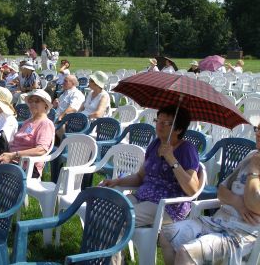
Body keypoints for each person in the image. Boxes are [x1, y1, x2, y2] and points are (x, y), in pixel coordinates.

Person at [159, 122, 260, 265]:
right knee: (166, 234)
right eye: (258, 129)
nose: (257, 133)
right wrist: (238, 203)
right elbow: (221, 191)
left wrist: (254, 171)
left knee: (186, 252)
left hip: (242, 235)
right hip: (218, 222)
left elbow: (255, 204)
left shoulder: (254, 163)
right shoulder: (251, 156)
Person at [101, 105, 200, 227]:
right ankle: (103, 244)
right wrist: (117, 181)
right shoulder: (155, 144)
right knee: (104, 209)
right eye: (158, 120)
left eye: (165, 123)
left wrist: (172, 160)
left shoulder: (187, 150)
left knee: (120, 217)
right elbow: (140, 177)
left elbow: (193, 189)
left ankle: (111, 245)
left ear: (178, 129)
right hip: (142, 197)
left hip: (166, 206)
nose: (159, 125)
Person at [0, 89, 55, 178]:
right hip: (12, 159)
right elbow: (17, 142)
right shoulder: (28, 122)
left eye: (37, 101)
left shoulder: (46, 123)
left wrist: (13, 155)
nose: (33, 104)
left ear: (46, 105)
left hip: (27, 167)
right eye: (31, 101)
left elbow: (41, 150)